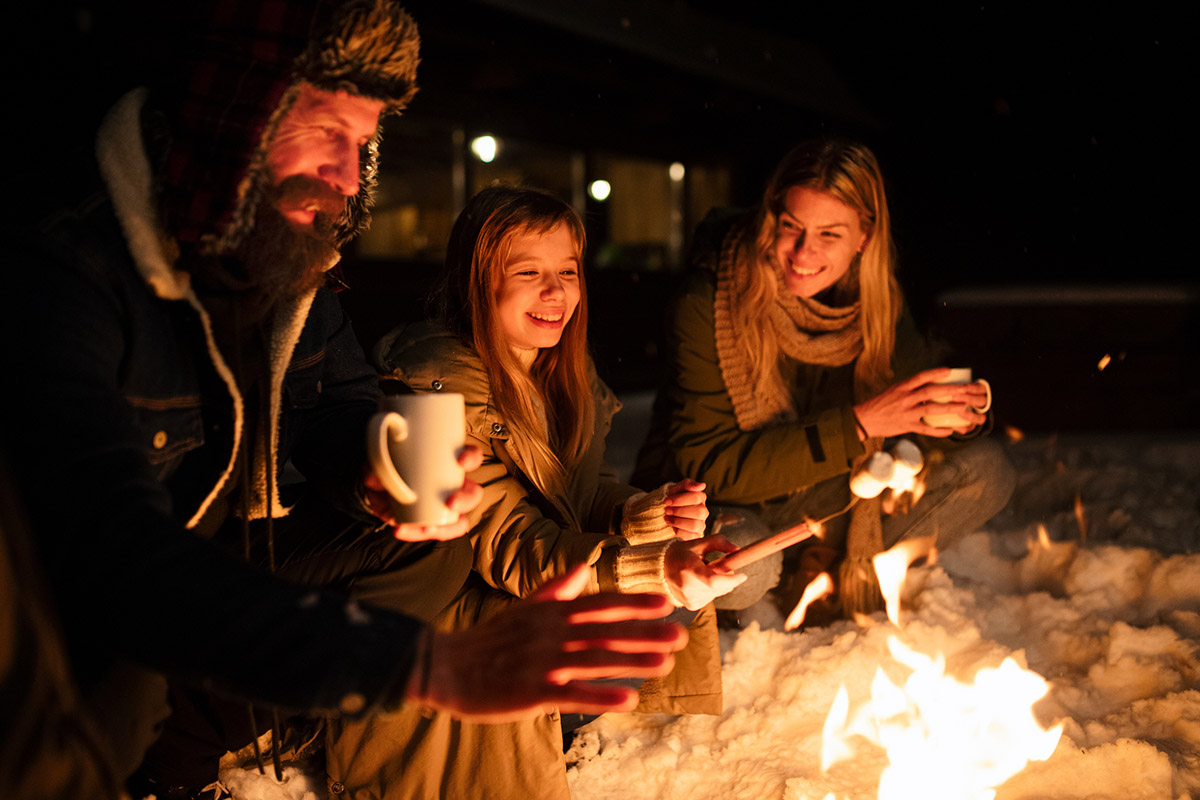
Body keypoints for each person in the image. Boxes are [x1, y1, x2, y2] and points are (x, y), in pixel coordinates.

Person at [0, 3, 688, 798]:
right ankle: (182, 744)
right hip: (65, 603)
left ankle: (233, 710)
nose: (346, 174)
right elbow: (109, 548)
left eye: (361, 145)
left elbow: (343, 402)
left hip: (210, 555)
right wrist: (417, 665)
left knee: (429, 546)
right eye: (326, 130)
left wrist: (379, 464)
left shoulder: (284, 270)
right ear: (239, 117)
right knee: (119, 700)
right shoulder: (70, 278)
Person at [358, 185, 746, 799]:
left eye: (567, 271)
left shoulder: (559, 371)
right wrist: (650, 568)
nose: (556, 291)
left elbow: (580, 491)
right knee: (647, 599)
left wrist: (646, 514)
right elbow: (511, 543)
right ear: (475, 282)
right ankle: (529, 732)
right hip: (454, 629)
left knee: (672, 592)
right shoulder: (431, 391)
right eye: (528, 273)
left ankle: (560, 719)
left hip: (527, 591)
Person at [634, 138, 1016, 617]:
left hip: (822, 496)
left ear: (864, 236)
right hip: (721, 505)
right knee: (745, 566)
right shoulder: (708, 300)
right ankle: (783, 588)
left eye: (829, 234)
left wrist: (957, 417)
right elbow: (711, 464)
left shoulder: (876, 304)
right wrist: (858, 426)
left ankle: (826, 577)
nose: (803, 252)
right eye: (791, 226)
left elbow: (914, 410)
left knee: (985, 471)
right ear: (771, 218)